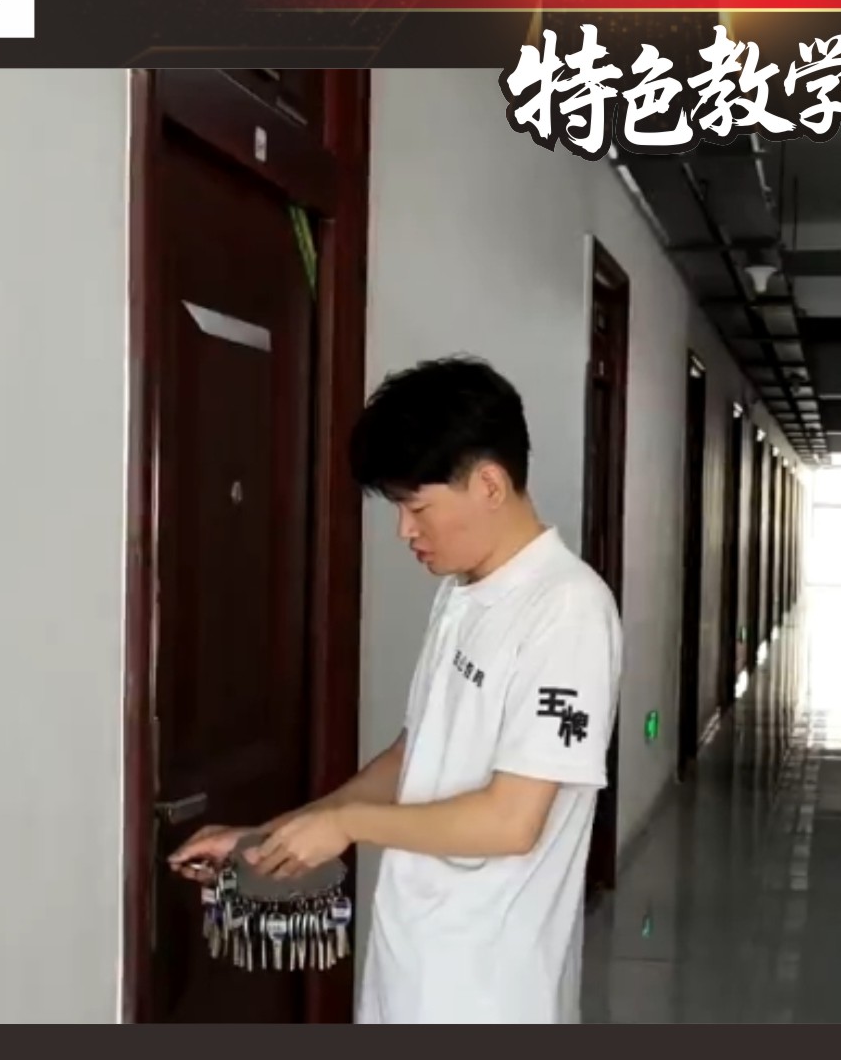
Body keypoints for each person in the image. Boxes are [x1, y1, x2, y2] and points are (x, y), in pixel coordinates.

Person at [169, 355, 622, 1024]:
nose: (405, 530)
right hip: (411, 961)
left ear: (490, 484)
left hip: (491, 991)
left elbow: (512, 820)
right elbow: (418, 752)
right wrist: (277, 836)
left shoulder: (567, 611)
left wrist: (345, 826)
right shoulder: (463, 592)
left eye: (416, 506)